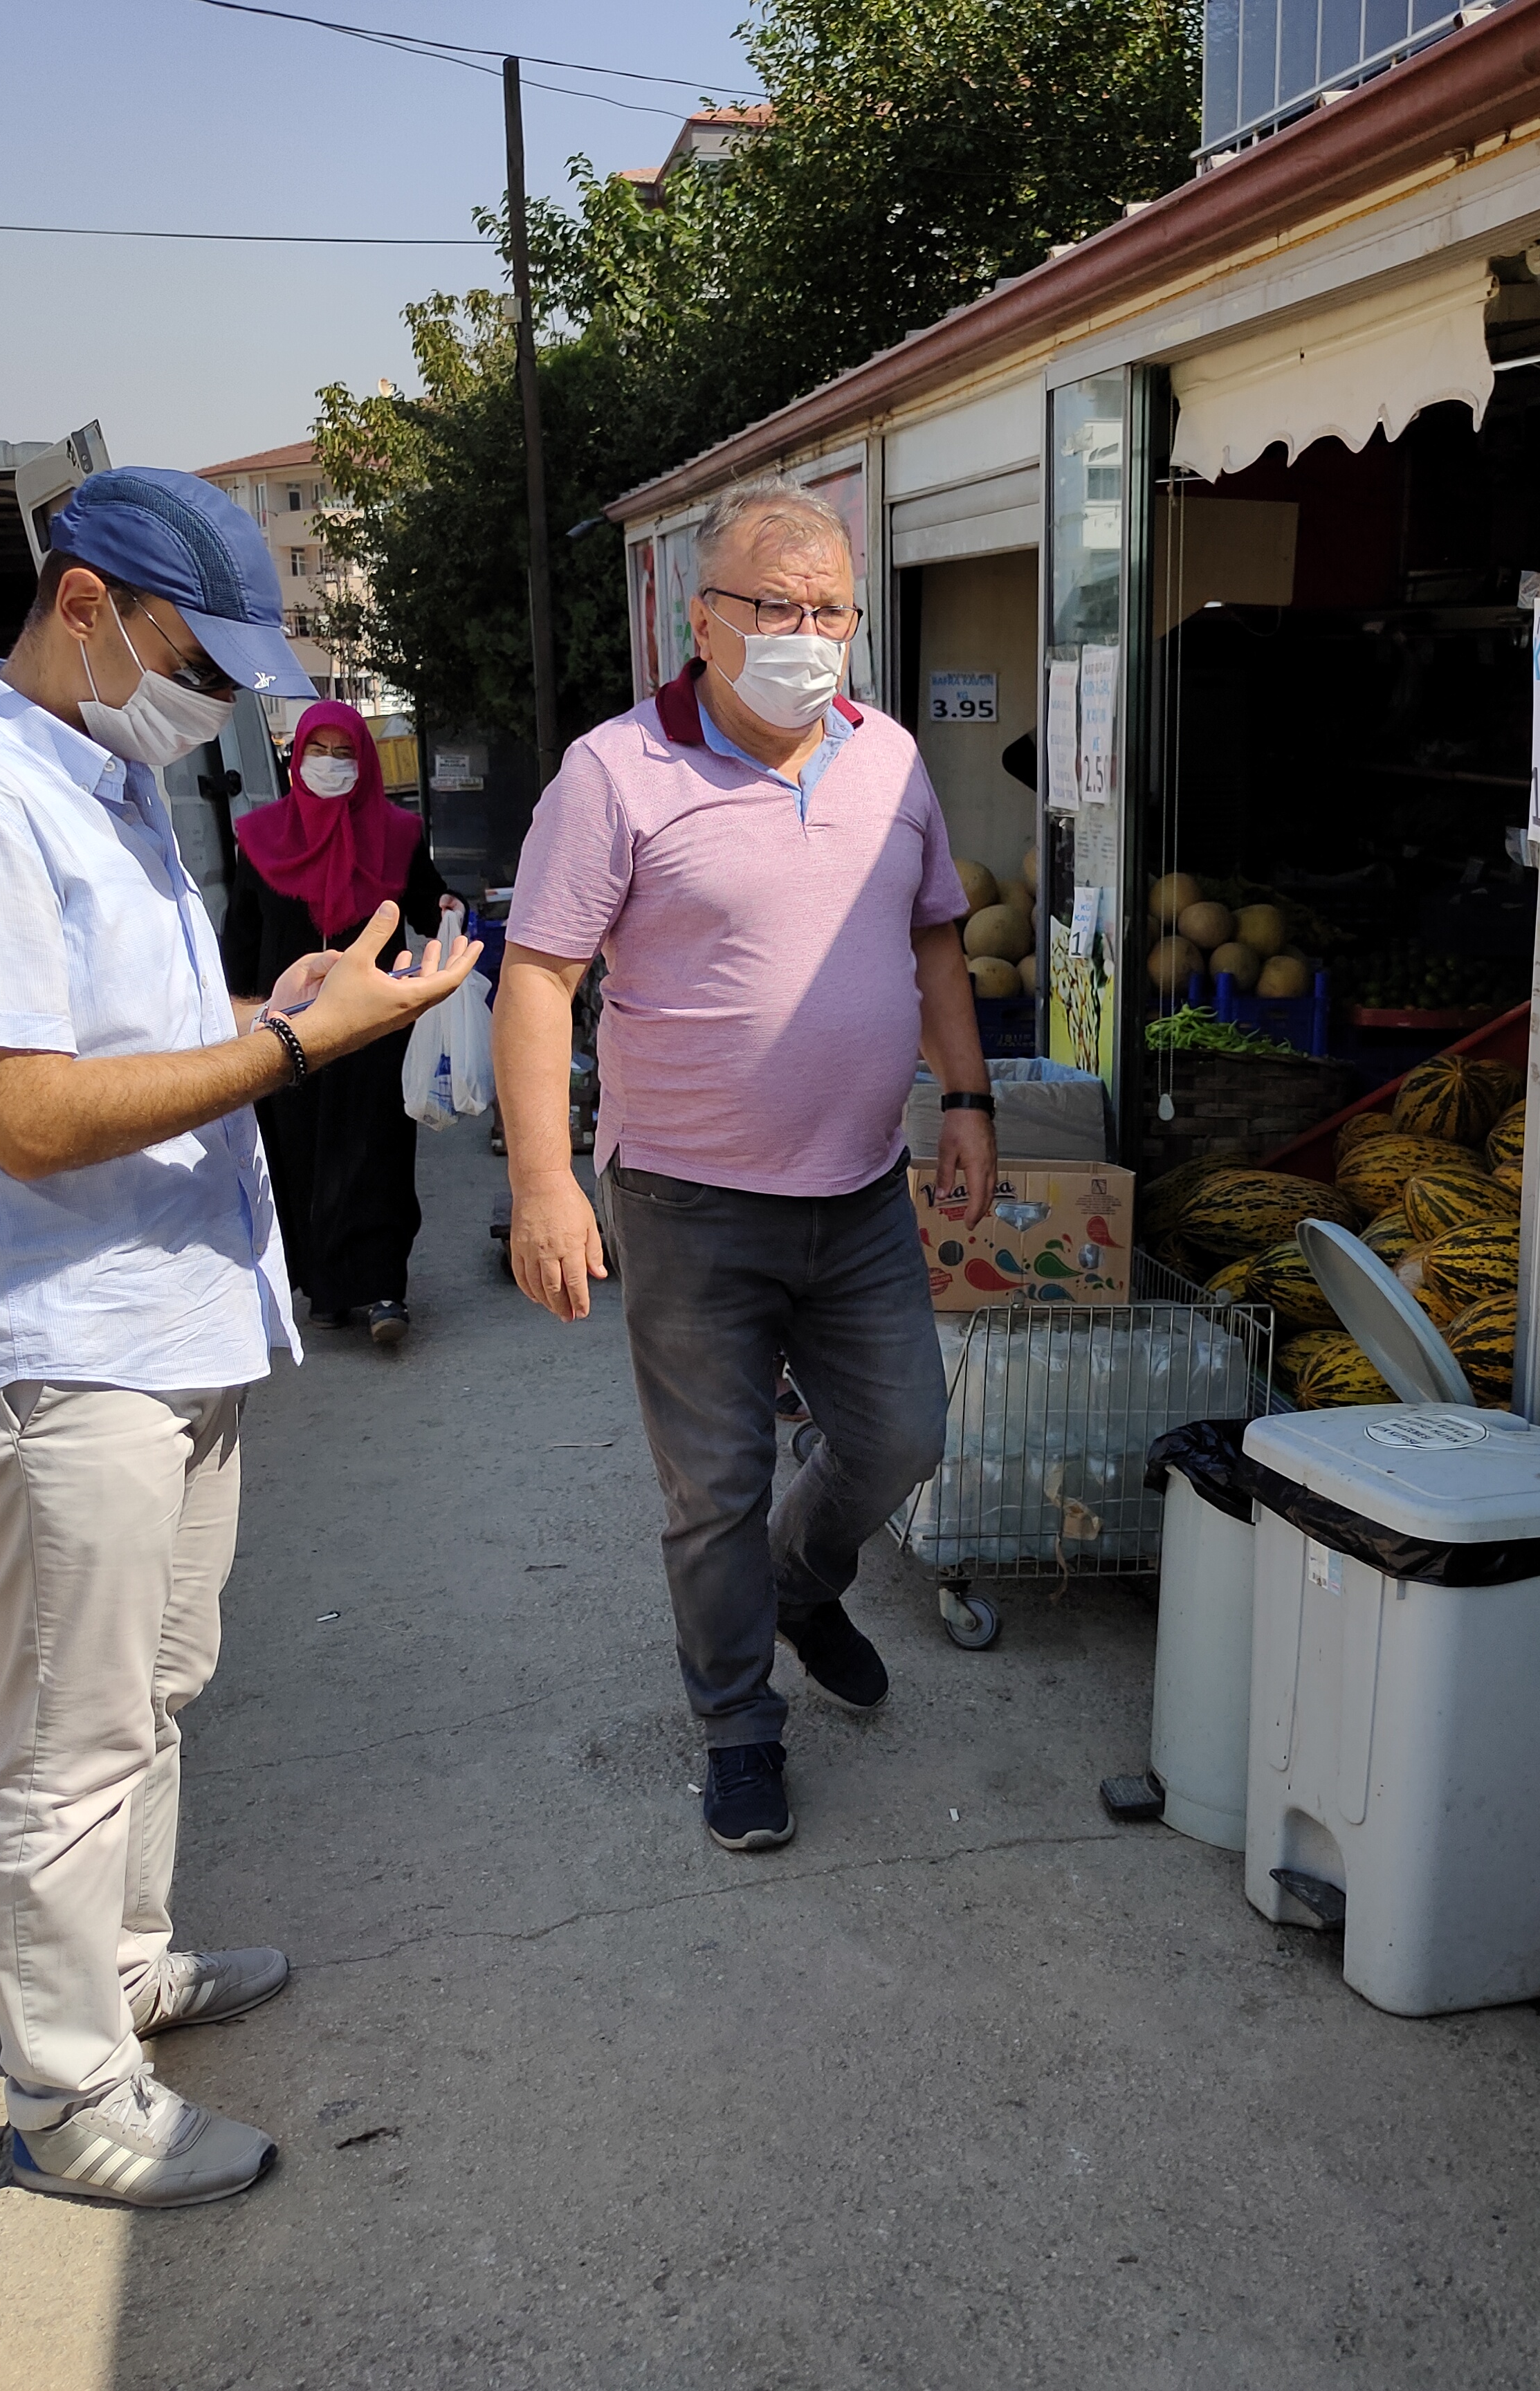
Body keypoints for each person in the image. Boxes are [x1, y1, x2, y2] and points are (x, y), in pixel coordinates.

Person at [0, 466, 478, 2208]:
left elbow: (120, 1040)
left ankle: (124, 1965)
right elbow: (29, 1114)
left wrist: (296, 1006)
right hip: (57, 1348)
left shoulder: (102, 784)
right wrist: (293, 1050)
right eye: (202, 654)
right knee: (66, 1734)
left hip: (161, 1328)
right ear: (90, 603)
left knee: (154, 1690)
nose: (223, 701)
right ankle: (64, 2095)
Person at [494, 474, 993, 1855]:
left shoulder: (889, 758)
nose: (808, 631)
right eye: (776, 605)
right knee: (709, 1484)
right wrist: (541, 1184)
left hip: (857, 1192)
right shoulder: (616, 773)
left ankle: (801, 1580)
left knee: (902, 1436)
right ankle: (739, 1728)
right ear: (702, 621)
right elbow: (535, 978)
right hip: (688, 1205)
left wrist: (968, 1100)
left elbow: (939, 939)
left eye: (831, 607)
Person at [224, 702, 454, 1346]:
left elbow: (427, 902)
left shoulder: (398, 835)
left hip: (374, 1026)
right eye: (317, 751)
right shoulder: (260, 839)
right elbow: (242, 935)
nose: (330, 764)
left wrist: (447, 909)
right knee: (298, 1155)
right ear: (296, 758)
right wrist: (238, 1016)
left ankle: (384, 1288)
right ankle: (325, 1289)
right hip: (287, 1025)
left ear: (366, 760)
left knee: (376, 1151)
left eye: (344, 752)